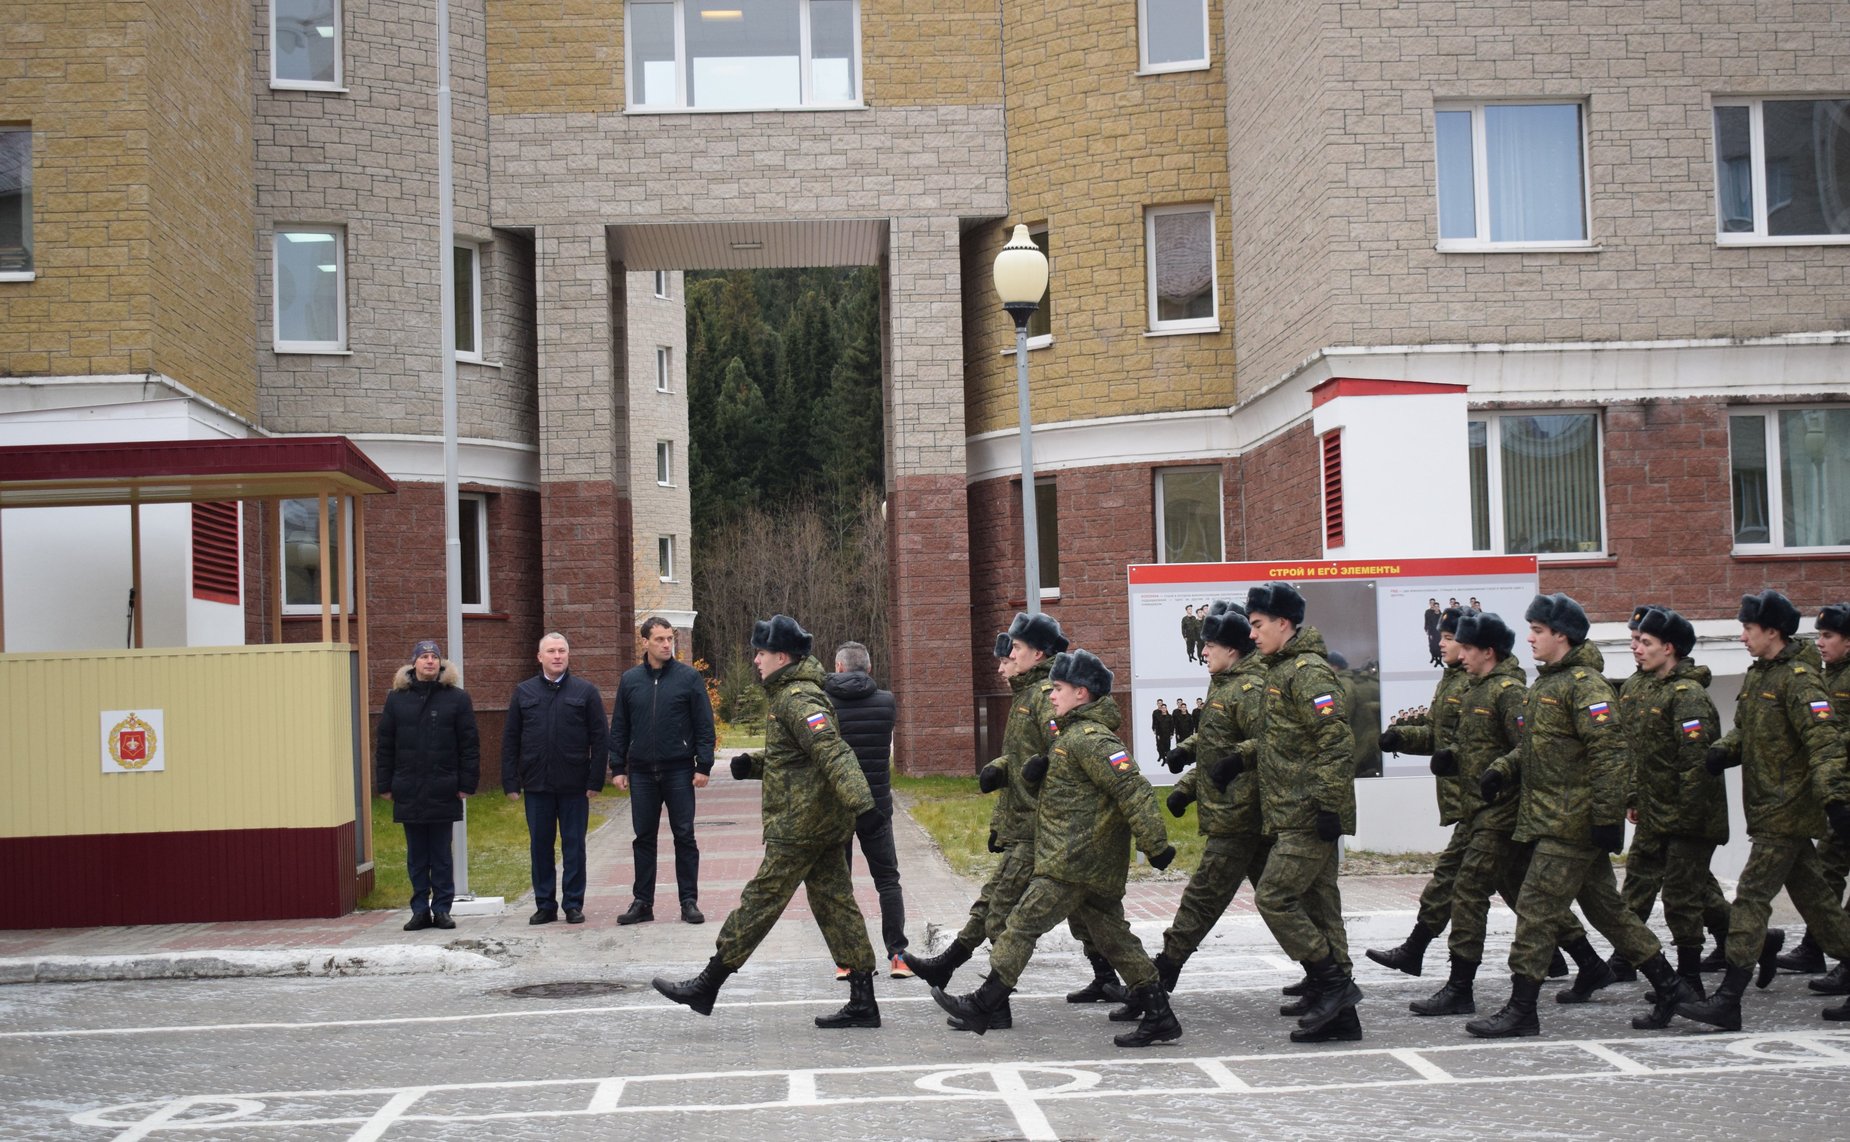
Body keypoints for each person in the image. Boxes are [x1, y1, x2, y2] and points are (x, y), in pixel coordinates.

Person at [1467, 593, 1694, 1038]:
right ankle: (1671, 987)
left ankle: (1522, 1009)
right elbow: (1538, 748)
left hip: (1572, 824)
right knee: (1610, 912)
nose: (1529, 638)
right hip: (1551, 819)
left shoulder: (1586, 686)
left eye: (1537, 631)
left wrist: (1607, 819)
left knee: (1534, 908)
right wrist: (1503, 769)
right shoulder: (1549, 683)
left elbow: (1610, 754)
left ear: (1561, 636)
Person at [931, 648, 1181, 1048]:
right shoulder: (1072, 737)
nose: (1051, 694)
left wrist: (1156, 845)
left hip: (1076, 859)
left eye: (1059, 688)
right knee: (1113, 937)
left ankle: (985, 1002)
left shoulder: (1092, 739)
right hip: (1079, 858)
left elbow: (1133, 788)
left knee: (1021, 924)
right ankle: (1159, 1015)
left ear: (1082, 693)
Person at [653, 615, 881, 1029]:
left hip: (802, 825)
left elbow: (832, 751)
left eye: (760, 653)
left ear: (781, 656)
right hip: (815, 821)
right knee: (836, 905)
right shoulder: (792, 695)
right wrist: (752, 764)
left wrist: (864, 806)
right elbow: (798, 758)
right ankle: (863, 1000)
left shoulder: (797, 699)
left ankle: (709, 983)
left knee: (760, 901)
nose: (755, 660)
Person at [905, 612, 1133, 1025]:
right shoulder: (1029, 693)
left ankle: (991, 999)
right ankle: (1122, 983)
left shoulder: (1046, 694)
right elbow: (1026, 756)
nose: (1007, 656)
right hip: (1027, 822)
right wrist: (1002, 775)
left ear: (1039, 653)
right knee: (1086, 914)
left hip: (1043, 827)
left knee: (1003, 910)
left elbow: (1067, 752)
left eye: (1016, 649)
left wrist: (1033, 777)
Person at [1677, 590, 1850, 1030]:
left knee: (1751, 899)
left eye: (1748, 629)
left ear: (1772, 631)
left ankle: (1729, 998)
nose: (1742, 637)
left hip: (1786, 811)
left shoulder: (1800, 679)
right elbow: (1748, 732)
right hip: (1767, 808)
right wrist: (1722, 750)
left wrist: (1836, 799)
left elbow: (1825, 742)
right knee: (1822, 909)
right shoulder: (1760, 677)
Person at [1218, 582, 1362, 1042]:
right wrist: (1241, 757)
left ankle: (1335, 986)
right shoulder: (1282, 670)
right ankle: (1341, 1016)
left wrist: (1326, 805)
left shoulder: (1309, 672)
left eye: (1258, 625)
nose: (1252, 634)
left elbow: (1335, 742)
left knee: (1274, 897)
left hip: (1309, 812)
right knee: (1321, 909)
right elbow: (1284, 739)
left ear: (1284, 623)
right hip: (1293, 811)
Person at [1609, 606, 1732, 1006]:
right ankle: (1638, 962)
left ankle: (1690, 980)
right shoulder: (1644, 688)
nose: (1637, 649)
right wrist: (1633, 797)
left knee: (1682, 898)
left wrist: (1685, 819)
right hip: (1654, 812)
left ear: (1670, 648)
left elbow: (1696, 767)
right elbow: (1635, 752)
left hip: (1687, 818)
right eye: (1638, 642)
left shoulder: (1688, 696)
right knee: (1640, 887)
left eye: (1646, 643)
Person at [1150, 603, 1270, 998]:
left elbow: (1265, 741)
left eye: (1210, 645)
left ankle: (1163, 971)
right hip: (1234, 810)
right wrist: (1185, 758)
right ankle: (1327, 977)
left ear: (1232, 649)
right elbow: (1216, 739)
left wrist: (1234, 761)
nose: (1203, 652)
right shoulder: (1224, 683)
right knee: (1280, 901)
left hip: (1241, 813)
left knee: (1203, 896)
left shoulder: (1248, 688)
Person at [1372, 605, 1473, 978]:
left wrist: (1454, 758)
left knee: (1452, 882)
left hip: (1483, 802)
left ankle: (1416, 951)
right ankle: (1576, 957)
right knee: (1515, 884)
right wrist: (1401, 736)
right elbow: (1435, 734)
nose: (1441, 643)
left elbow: (1483, 745)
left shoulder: (1478, 683)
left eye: (1449, 638)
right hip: (1466, 801)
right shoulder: (1450, 679)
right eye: (1441, 637)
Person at [609, 617, 716, 927]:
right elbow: (620, 726)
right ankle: (642, 902)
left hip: (680, 771)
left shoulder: (688, 678)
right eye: (660, 639)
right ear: (645, 642)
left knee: (684, 836)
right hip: (641, 772)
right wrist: (618, 766)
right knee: (643, 837)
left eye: (670, 639)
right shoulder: (630, 680)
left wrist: (703, 765)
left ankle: (689, 902)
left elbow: (703, 724)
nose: (667, 644)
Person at [502, 632, 610, 926]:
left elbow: (600, 739)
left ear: (568, 655)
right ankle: (545, 905)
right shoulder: (524, 692)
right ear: (540, 657)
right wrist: (511, 781)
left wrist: (595, 781)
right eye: (551, 651)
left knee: (574, 846)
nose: (557, 656)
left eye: (562, 650)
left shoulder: (585, 692)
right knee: (540, 846)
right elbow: (511, 739)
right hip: (537, 784)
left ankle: (573, 904)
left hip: (575, 784)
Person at [374, 639, 480, 931]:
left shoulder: (457, 698)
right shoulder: (397, 699)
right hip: (408, 787)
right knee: (417, 855)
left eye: (435, 657)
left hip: (444, 787)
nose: (430, 661)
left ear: (441, 664)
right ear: (414, 663)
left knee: (441, 854)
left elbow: (469, 745)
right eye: (424, 657)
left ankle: (442, 909)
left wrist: (466, 784)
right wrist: (385, 784)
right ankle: (420, 909)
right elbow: (385, 745)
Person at [823, 640, 910, 977]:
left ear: (839, 667)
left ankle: (848, 960)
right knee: (888, 880)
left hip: (837, 805)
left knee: (840, 885)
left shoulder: (825, 704)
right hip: (877, 806)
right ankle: (898, 955)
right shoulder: (887, 703)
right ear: (870, 668)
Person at [1777, 602, 1850, 996]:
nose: (1820, 643)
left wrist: (1825, 739)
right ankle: (1816, 946)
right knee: (1828, 872)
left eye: (1828, 636)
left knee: (1825, 873)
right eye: (1819, 636)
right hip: (1837, 788)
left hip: (1845, 788)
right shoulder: (1828, 676)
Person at [1424, 599, 1443, 667]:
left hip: (1440, 634)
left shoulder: (1442, 615)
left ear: (1439, 607)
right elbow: (1428, 624)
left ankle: (1439, 660)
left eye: (1437, 606)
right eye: (1435, 606)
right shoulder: (1430, 615)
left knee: (1440, 647)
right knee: (1432, 646)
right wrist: (1429, 633)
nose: (1436, 607)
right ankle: (1434, 658)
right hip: (1433, 633)